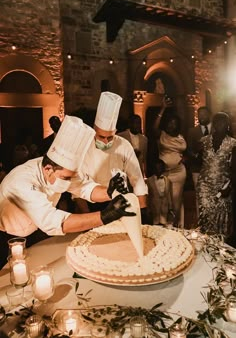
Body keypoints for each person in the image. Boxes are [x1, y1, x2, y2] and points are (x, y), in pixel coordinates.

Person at [0, 115, 135, 269]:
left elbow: (85, 187)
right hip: (7, 238)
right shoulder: (21, 182)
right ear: (48, 169)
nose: (69, 182)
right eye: (65, 178)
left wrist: (109, 192)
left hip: (37, 232)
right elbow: (52, 220)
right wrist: (105, 216)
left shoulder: (59, 169)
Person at [74, 91, 149, 223]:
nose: (105, 141)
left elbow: (137, 179)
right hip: (89, 201)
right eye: (101, 137)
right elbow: (77, 187)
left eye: (110, 137)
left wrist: (142, 212)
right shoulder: (83, 146)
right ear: (94, 129)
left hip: (117, 201)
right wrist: (88, 219)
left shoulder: (124, 145)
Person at [197, 112, 236, 242]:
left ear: (228, 125)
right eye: (217, 122)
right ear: (214, 124)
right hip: (204, 185)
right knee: (205, 215)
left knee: (221, 217)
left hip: (223, 185)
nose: (220, 125)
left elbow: (234, 169)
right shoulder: (204, 141)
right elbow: (198, 161)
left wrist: (229, 186)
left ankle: (220, 247)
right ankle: (206, 245)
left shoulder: (232, 143)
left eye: (223, 122)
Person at [153, 97, 187, 227]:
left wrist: (185, 158)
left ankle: (175, 225)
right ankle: (163, 225)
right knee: (164, 200)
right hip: (165, 172)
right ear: (166, 124)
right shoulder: (161, 135)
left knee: (177, 199)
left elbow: (185, 151)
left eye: (174, 123)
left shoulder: (181, 137)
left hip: (179, 172)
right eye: (170, 123)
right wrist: (163, 108)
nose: (172, 125)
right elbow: (153, 128)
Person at [187, 106, 212, 217]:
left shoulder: (216, 129)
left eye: (204, 114)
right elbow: (188, 149)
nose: (201, 116)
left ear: (209, 115)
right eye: (199, 114)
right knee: (199, 195)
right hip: (197, 168)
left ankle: (212, 218)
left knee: (212, 194)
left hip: (213, 168)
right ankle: (201, 219)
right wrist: (196, 153)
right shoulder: (192, 131)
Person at [146, 158, 175, 225]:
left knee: (164, 225)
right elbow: (148, 195)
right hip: (154, 208)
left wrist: (170, 208)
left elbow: (169, 195)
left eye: (160, 168)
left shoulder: (168, 181)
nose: (159, 170)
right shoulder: (149, 181)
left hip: (164, 208)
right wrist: (148, 208)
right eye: (157, 168)